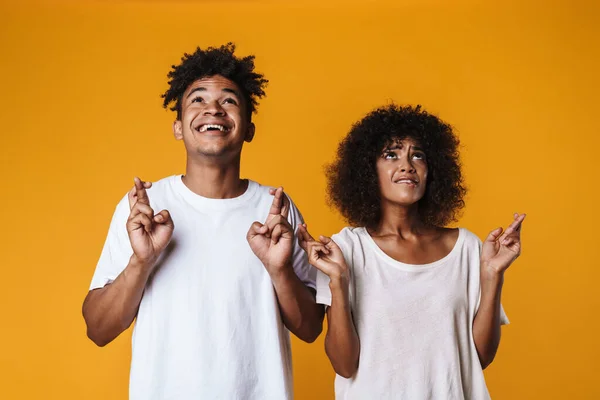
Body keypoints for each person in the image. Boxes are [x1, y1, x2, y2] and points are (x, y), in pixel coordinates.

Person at [82, 43, 323, 400]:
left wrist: (279, 270)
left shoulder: (275, 210)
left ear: (249, 129)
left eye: (229, 100)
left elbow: (310, 329)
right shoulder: (147, 208)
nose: (213, 108)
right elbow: (98, 330)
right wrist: (141, 261)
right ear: (178, 127)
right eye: (197, 99)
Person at [298, 104, 525, 399]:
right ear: (368, 169)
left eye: (417, 155)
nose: (407, 165)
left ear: (433, 170)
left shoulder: (466, 248)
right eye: (391, 155)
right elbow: (343, 365)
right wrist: (338, 282)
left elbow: (479, 358)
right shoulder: (348, 249)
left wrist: (493, 275)